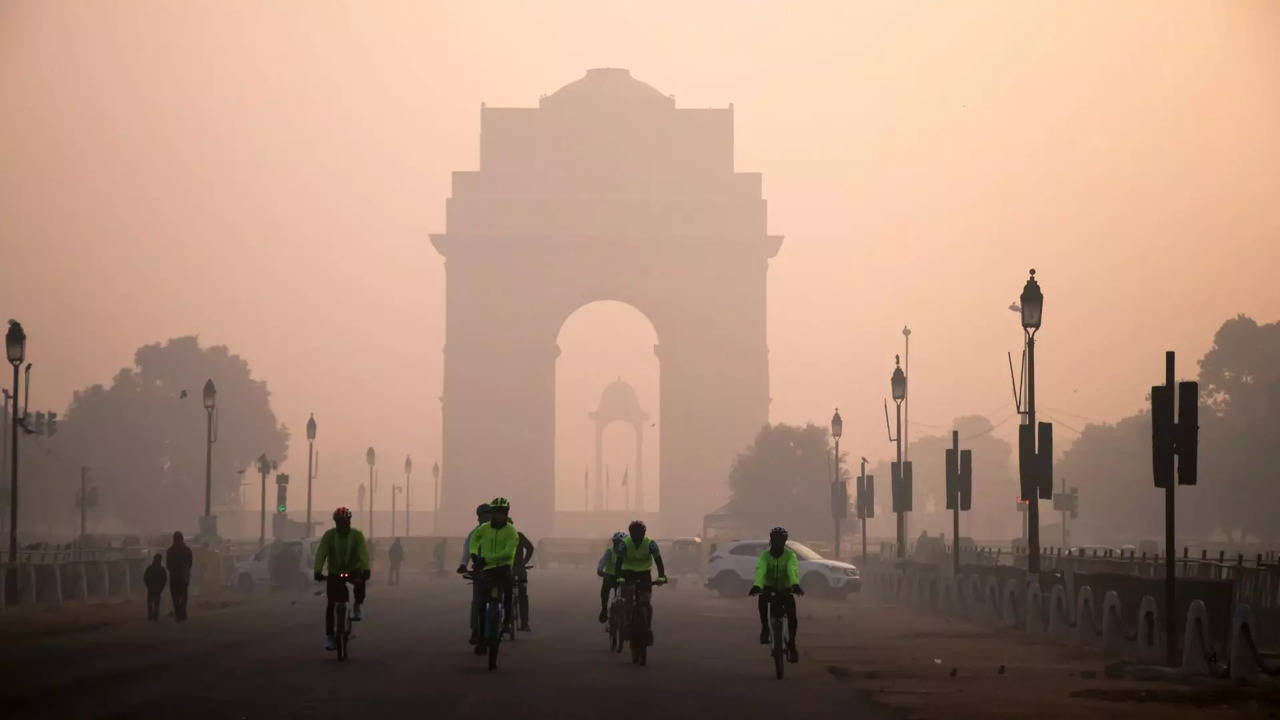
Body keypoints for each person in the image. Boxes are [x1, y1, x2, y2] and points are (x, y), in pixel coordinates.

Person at [313, 507, 371, 651]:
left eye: (345, 521)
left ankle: (357, 606)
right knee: (331, 604)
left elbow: (363, 552)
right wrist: (318, 571)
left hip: (353, 569)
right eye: (339, 522)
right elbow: (321, 553)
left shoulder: (357, 535)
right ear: (336, 523)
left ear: (349, 522)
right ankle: (330, 636)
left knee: (360, 582)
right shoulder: (329, 536)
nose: (343, 525)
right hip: (334, 571)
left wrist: (366, 568)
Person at [468, 497, 518, 654]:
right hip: (487, 570)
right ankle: (482, 637)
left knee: (509, 591)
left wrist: (486, 559)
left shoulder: (511, 531)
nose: (498, 516)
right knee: (482, 605)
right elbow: (474, 541)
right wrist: (474, 554)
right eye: (496, 512)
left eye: (502, 513)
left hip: (503, 568)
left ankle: (506, 621)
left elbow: (509, 552)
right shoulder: (484, 529)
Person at [748, 526, 804, 663]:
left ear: (785, 541)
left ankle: (792, 644)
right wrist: (757, 585)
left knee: (792, 617)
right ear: (771, 539)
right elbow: (761, 570)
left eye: (781, 539)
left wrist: (795, 585)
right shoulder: (765, 555)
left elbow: (792, 570)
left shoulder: (790, 555)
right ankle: (765, 628)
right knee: (762, 601)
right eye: (775, 539)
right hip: (768, 587)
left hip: (785, 589)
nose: (778, 542)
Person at [612, 520, 667, 646]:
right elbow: (619, 563)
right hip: (627, 573)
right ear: (630, 534)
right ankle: (627, 623)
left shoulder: (651, 544)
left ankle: (647, 628)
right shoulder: (624, 544)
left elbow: (659, 561)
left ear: (644, 533)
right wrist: (619, 577)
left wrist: (661, 577)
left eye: (639, 534)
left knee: (646, 601)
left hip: (644, 573)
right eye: (634, 534)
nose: (637, 537)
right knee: (628, 599)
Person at [457, 503, 491, 645]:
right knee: (477, 603)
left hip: (497, 570)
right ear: (478, 518)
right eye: (483, 516)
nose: (485, 518)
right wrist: (463, 565)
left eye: (487, 515)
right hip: (480, 572)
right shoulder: (474, 534)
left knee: (499, 600)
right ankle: (475, 631)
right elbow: (467, 552)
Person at [596, 531, 627, 623]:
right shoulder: (610, 551)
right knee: (605, 590)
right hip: (610, 576)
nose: (618, 545)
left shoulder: (628, 553)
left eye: (620, 543)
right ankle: (604, 609)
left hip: (623, 578)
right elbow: (602, 562)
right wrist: (600, 570)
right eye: (616, 542)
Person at [165, 531, 193, 621]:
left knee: (175, 596)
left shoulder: (170, 550)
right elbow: (190, 563)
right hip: (184, 576)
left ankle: (178, 613)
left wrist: (173, 570)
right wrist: (185, 571)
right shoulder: (187, 550)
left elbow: (168, 564)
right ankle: (183, 613)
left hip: (174, 576)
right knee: (184, 595)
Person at [512, 526, 535, 631]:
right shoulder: (519, 535)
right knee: (522, 596)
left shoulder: (498, 536)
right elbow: (530, 548)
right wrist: (524, 562)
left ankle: (504, 622)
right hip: (520, 571)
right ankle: (525, 623)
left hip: (503, 570)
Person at [143, 553, 167, 621]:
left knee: (150, 601)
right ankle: (155, 616)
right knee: (156, 602)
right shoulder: (162, 569)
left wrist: (148, 586)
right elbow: (164, 580)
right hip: (158, 588)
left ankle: (150, 616)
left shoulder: (149, 568)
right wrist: (161, 587)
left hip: (151, 588)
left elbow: (145, 578)